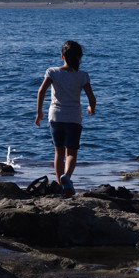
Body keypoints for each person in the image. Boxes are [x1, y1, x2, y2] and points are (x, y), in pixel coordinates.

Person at [35, 40, 96, 197]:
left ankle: (62, 185)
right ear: (79, 58)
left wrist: (38, 112)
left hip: (56, 116)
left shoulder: (53, 72)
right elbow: (91, 97)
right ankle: (67, 178)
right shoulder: (82, 76)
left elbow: (41, 91)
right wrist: (91, 108)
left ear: (62, 56)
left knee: (58, 153)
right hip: (74, 118)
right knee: (71, 154)